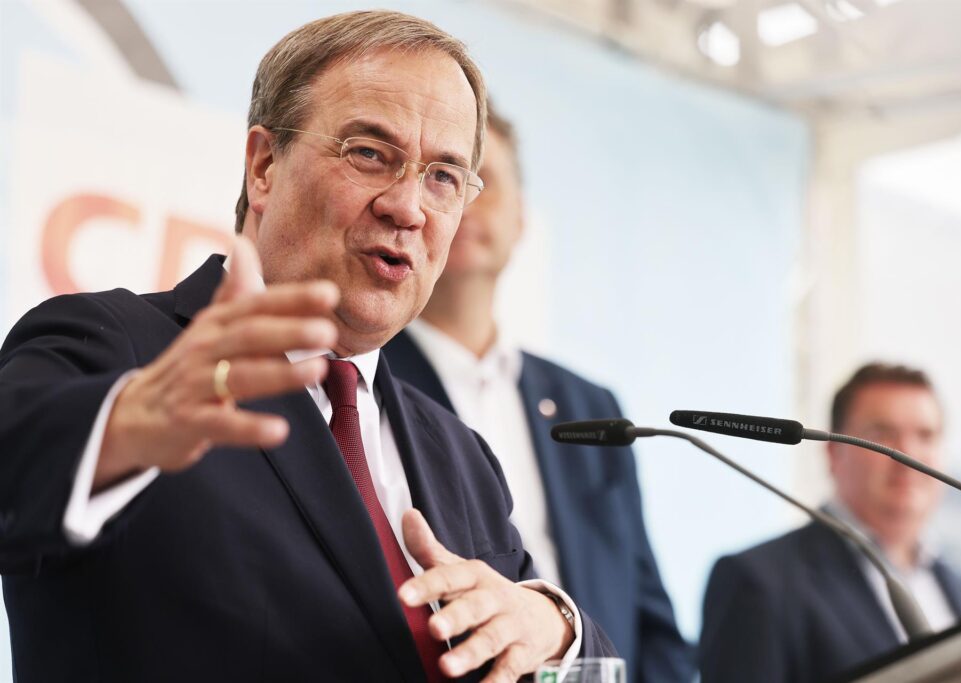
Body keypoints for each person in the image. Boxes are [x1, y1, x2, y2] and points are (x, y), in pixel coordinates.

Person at [0, 11, 616, 682]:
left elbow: (578, 656)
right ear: (264, 166)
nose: (409, 207)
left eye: (443, 175)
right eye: (370, 153)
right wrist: (121, 428)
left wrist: (555, 625)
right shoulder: (120, 346)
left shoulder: (461, 455)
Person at [383, 104, 694, 682]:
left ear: (523, 217)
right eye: (445, 179)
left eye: (485, 180)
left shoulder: (590, 406)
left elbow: (650, 618)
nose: (467, 201)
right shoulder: (366, 382)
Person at [698, 362, 961, 683]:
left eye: (926, 436)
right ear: (834, 454)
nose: (909, 454)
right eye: (882, 434)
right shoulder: (758, 582)